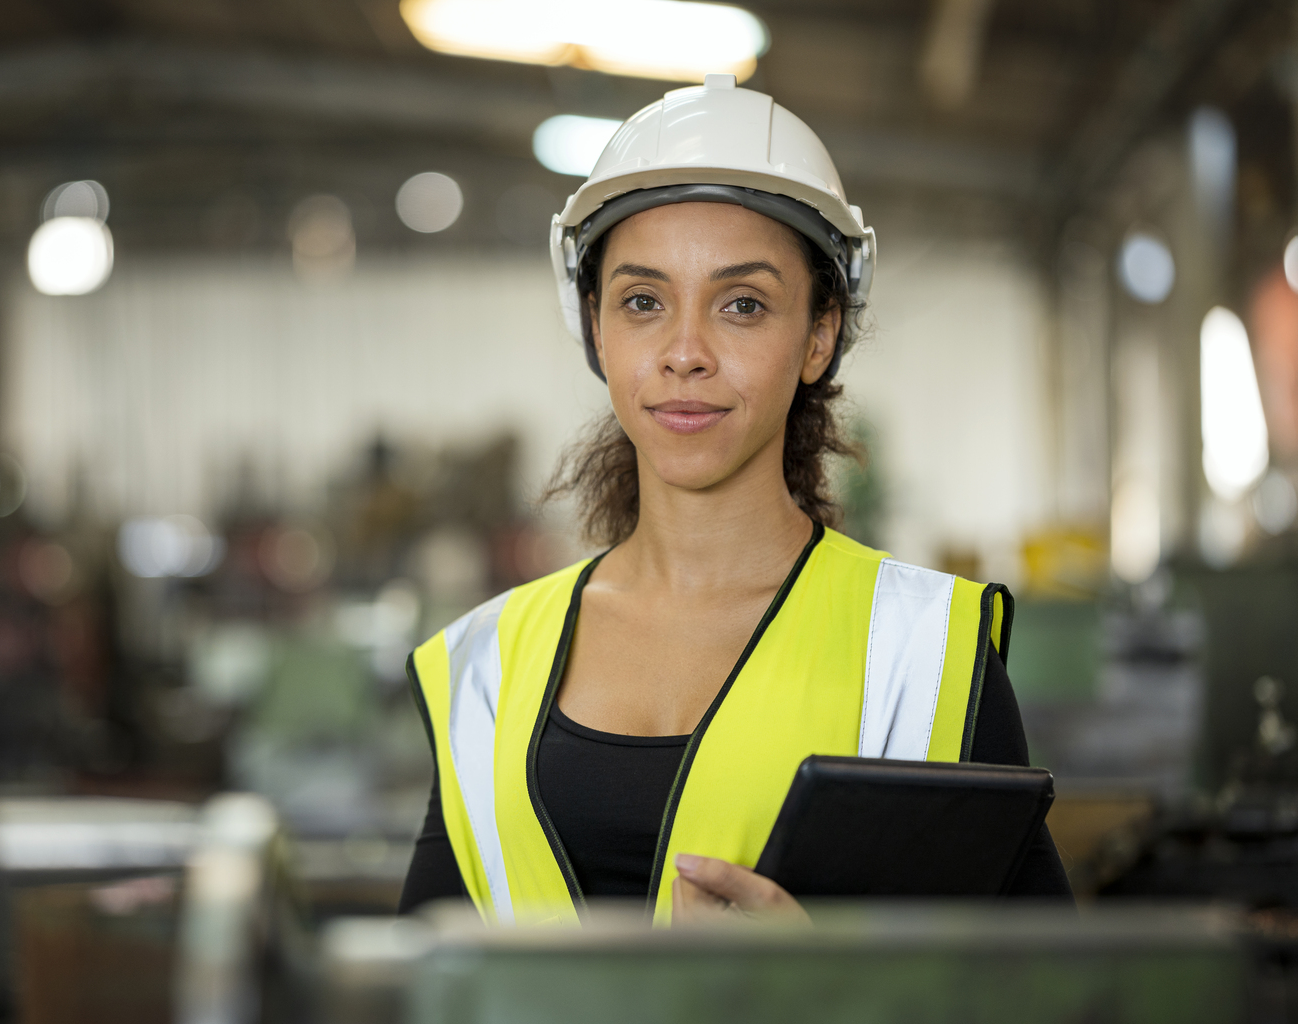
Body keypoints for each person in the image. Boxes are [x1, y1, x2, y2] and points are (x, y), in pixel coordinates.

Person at [399, 75, 1071, 926]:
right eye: (643, 302)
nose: (685, 352)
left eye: (743, 305)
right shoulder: (485, 667)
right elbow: (416, 987)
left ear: (819, 336)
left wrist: (828, 982)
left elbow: (1051, 992)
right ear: (597, 331)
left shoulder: (924, 655)